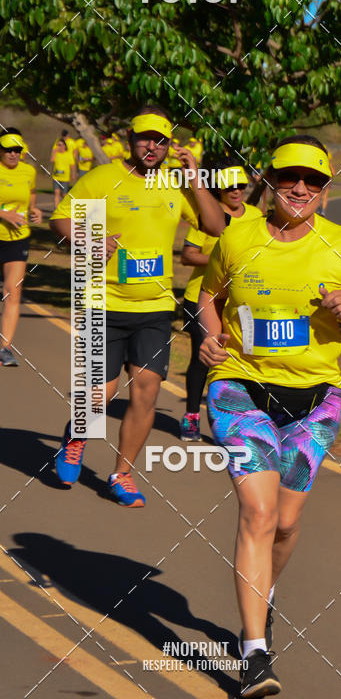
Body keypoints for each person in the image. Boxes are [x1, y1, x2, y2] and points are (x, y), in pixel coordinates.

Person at [198, 134, 341, 699]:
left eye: (314, 181)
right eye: (288, 178)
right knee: (257, 511)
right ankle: (255, 653)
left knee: (284, 524)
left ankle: (263, 600)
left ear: (326, 191)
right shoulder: (238, 236)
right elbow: (210, 295)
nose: (300, 188)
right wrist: (210, 337)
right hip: (240, 388)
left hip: (314, 399)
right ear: (269, 182)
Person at [49, 106, 225, 506]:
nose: (152, 146)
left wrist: (195, 178)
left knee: (146, 391)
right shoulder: (103, 178)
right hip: (103, 304)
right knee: (101, 396)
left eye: (160, 140)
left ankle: (121, 475)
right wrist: (87, 238)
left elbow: (215, 227)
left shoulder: (176, 186)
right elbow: (59, 219)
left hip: (155, 308)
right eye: (145, 138)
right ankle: (76, 438)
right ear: (131, 139)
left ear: (169, 146)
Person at [179, 162, 262, 441]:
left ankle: (235, 421)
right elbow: (187, 255)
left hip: (239, 301)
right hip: (202, 298)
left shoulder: (255, 215)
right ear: (219, 190)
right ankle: (191, 416)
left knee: (240, 359)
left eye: (241, 186)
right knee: (204, 359)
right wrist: (222, 263)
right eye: (230, 187)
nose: (237, 191)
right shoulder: (210, 215)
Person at [0, 128, 42, 366]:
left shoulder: (29, 171)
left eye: (18, 150)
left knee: (12, 291)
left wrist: (34, 210)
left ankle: (5, 348)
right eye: (9, 149)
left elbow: (32, 193)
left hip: (18, 238)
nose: (14, 154)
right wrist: (3, 213)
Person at [50, 138, 76, 207]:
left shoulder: (69, 155)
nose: (58, 146)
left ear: (64, 146)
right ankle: (56, 209)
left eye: (60, 145)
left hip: (65, 178)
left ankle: (67, 207)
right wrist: (54, 152)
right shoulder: (56, 154)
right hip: (56, 177)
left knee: (64, 194)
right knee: (56, 193)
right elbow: (52, 160)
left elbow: (72, 166)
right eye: (57, 145)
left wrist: (73, 174)